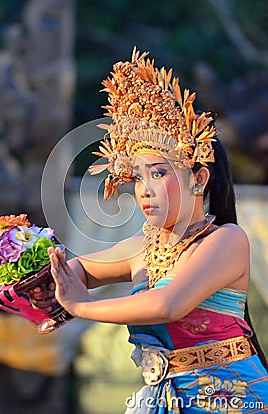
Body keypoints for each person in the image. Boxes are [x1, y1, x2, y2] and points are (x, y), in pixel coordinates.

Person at [31, 48, 268, 413]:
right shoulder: (143, 248)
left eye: (158, 173)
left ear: (198, 178)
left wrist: (80, 305)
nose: (143, 188)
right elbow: (77, 269)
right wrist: (43, 283)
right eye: (137, 176)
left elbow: (167, 305)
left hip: (231, 398)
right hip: (163, 400)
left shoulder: (226, 240)